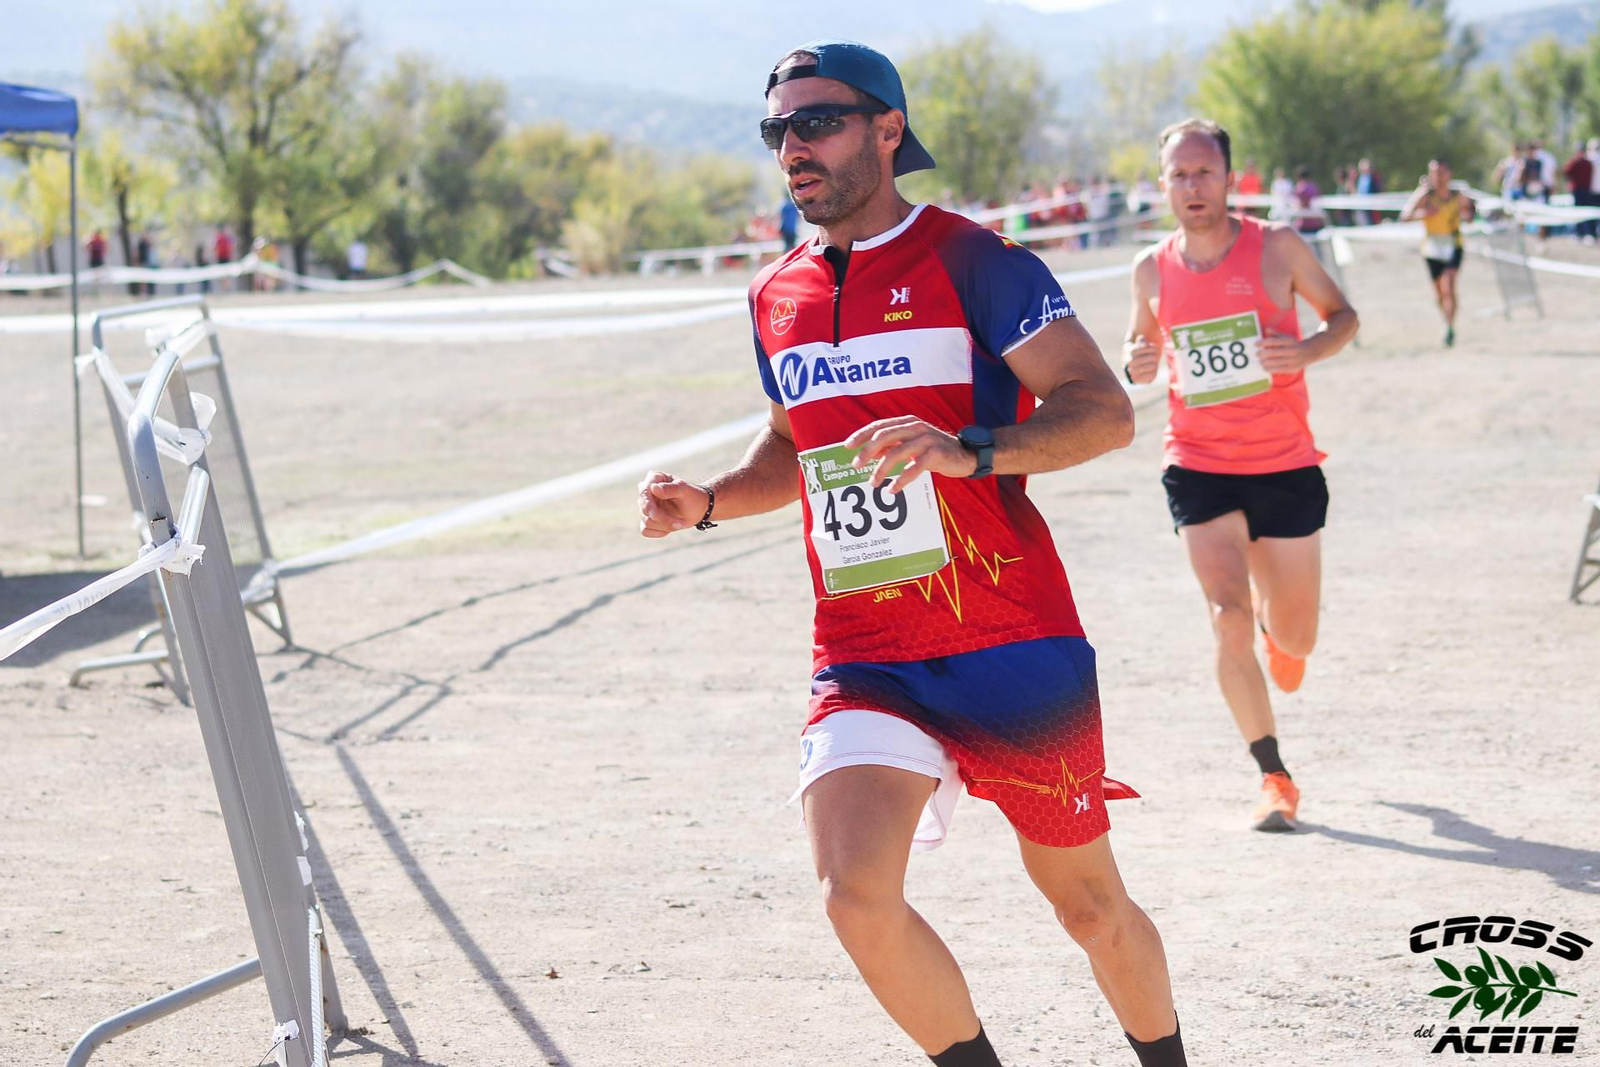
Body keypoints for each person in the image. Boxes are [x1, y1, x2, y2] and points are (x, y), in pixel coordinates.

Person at [638, 38, 1187, 1067]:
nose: (791, 147)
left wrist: (969, 449)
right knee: (855, 897)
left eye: (816, 122)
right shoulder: (774, 296)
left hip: (1008, 637)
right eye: (776, 130)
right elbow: (790, 446)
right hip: (864, 647)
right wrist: (708, 500)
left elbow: (1102, 412)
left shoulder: (976, 262)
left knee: (1090, 909)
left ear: (887, 130)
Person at [1122, 118, 1358, 833]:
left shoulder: (1277, 247)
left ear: (1230, 178)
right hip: (1198, 465)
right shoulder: (1150, 268)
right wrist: (1135, 357)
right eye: (1179, 175)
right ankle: (1274, 776)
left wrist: (1307, 350)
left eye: (1205, 172)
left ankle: (1277, 627)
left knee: (1297, 637)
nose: (1193, 187)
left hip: (1284, 464)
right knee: (1225, 620)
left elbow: (1343, 316)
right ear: (1163, 185)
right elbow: (1141, 341)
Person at [1400, 160, 1474, 347]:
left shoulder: (1458, 195)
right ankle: (1446, 321)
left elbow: (1471, 211)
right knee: (1440, 293)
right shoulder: (1425, 195)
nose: (1437, 177)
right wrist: (1424, 213)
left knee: (1449, 284)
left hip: (1453, 244)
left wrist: (1468, 216)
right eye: (1434, 173)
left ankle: (1450, 326)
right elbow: (1405, 216)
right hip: (1432, 247)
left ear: (1449, 174)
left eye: (1441, 172)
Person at [1562, 143, 1596, 244]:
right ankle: (1579, 233)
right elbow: (1566, 173)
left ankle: (1587, 233)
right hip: (1578, 191)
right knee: (1578, 212)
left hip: (1584, 190)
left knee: (1585, 212)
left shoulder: (1585, 163)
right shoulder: (1577, 162)